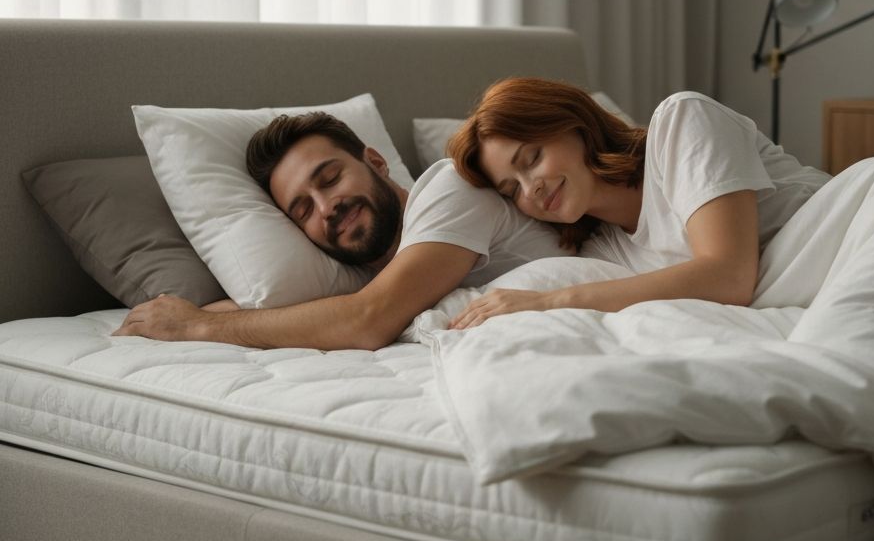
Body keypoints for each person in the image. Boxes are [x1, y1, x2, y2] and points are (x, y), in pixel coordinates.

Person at [114, 111, 571, 349]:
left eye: (330, 179)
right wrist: (184, 317)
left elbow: (365, 319)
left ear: (375, 161)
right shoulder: (380, 276)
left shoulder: (451, 190)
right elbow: (276, 307)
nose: (326, 208)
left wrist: (197, 328)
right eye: (302, 210)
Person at [445, 78, 830, 329]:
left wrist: (549, 302)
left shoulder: (682, 122)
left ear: (574, 125)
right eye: (512, 191)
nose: (531, 190)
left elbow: (730, 275)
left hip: (864, 222)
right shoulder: (603, 254)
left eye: (531, 159)